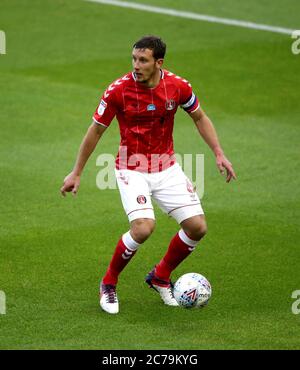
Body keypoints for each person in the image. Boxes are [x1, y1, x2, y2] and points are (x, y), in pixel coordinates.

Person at [60, 35, 236, 314]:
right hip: (131, 168)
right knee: (143, 228)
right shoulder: (118, 91)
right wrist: (76, 172)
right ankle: (108, 283)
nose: (136, 65)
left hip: (167, 168)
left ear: (159, 62)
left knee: (197, 227)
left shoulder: (178, 87)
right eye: (134, 59)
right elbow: (95, 130)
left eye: (143, 60)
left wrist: (218, 152)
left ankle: (160, 276)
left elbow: (199, 117)